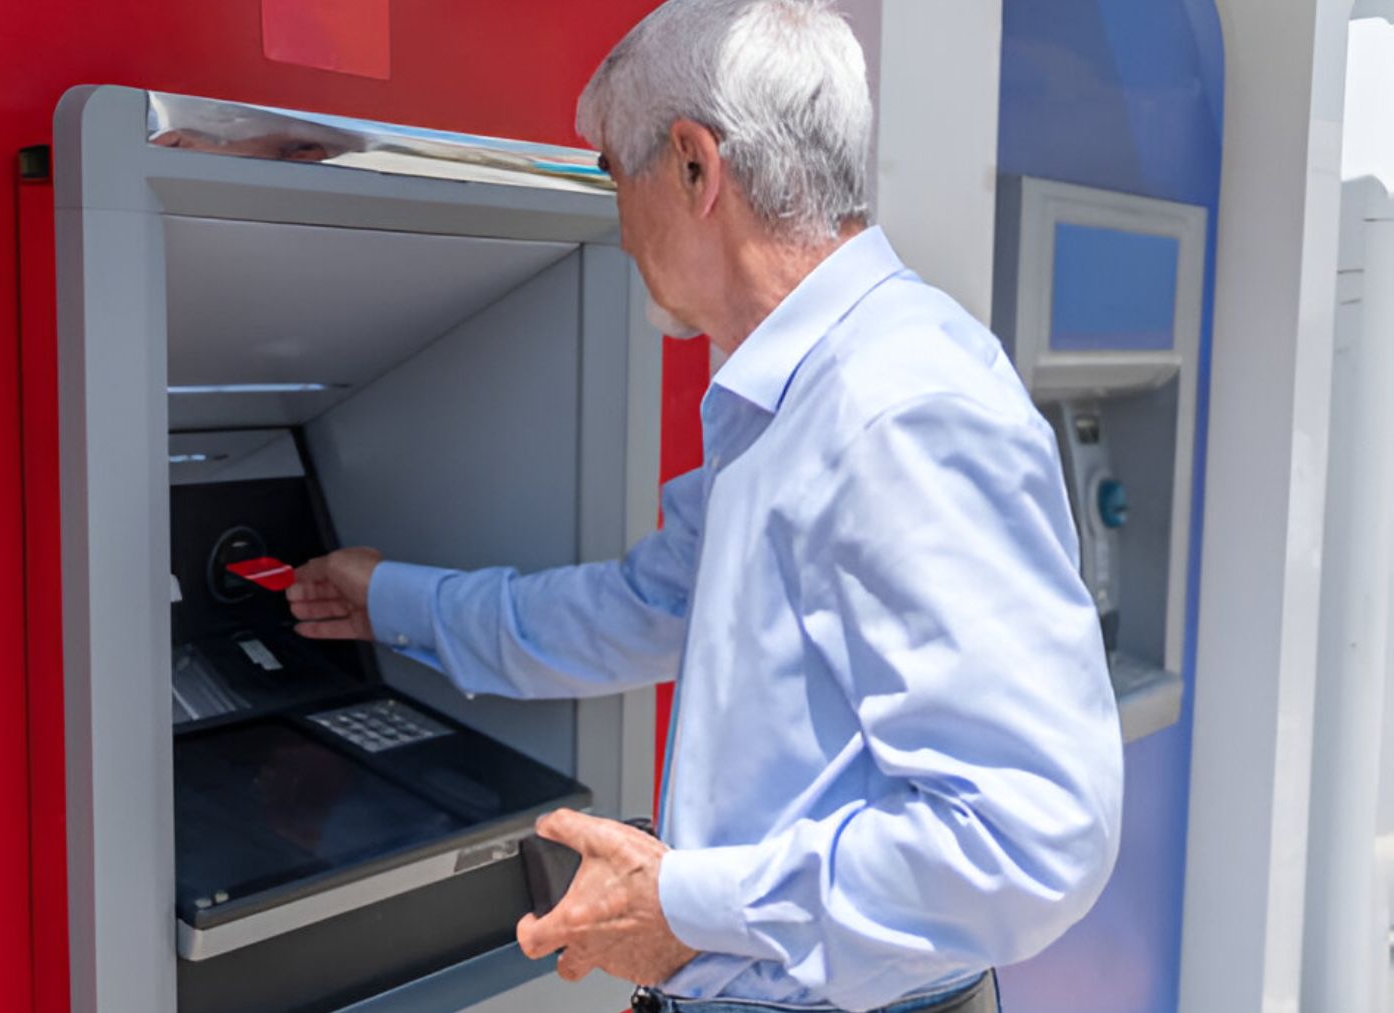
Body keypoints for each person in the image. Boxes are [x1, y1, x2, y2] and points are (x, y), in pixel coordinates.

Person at [285, 1, 1124, 1010]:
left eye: (612, 175)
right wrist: (393, 600)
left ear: (694, 166)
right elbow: (641, 606)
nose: (618, 224)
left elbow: (1024, 841)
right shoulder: (789, 398)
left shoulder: (899, 408)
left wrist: (684, 901)